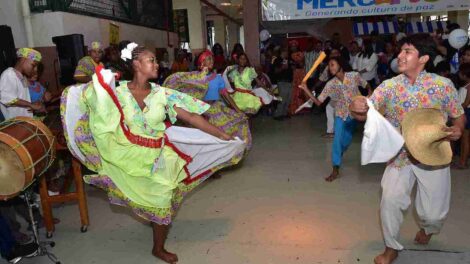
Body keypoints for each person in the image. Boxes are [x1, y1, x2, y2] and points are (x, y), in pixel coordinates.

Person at [61, 43, 245, 264]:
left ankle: (158, 247)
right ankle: (155, 220)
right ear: (136, 64)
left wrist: (222, 135)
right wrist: (99, 85)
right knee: (148, 199)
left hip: (158, 156)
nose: (157, 64)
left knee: (163, 198)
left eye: (156, 61)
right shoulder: (117, 93)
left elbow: (192, 118)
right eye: (151, 60)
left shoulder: (162, 94)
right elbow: (93, 106)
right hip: (127, 156)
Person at [349, 34, 466, 264]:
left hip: (433, 156)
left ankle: (428, 229)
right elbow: (365, 112)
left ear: (423, 58)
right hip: (400, 156)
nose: (400, 56)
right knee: (390, 201)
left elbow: (459, 115)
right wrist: (357, 107)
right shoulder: (389, 87)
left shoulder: (443, 86)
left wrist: (458, 129)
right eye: (401, 51)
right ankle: (391, 247)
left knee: (433, 214)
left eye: (407, 51)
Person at [164, 50, 252, 153]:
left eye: (212, 58)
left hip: (214, 108)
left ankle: (229, 151)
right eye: (208, 59)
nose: (212, 61)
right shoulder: (194, 78)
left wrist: (237, 110)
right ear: (202, 62)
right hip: (199, 109)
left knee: (233, 124)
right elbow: (176, 81)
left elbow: (226, 95)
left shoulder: (218, 78)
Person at [300, 56, 371, 181]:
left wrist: (370, 93)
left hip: (354, 114)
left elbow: (366, 85)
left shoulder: (354, 76)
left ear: (340, 65)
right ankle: (335, 168)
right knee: (337, 139)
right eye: (329, 65)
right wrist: (306, 89)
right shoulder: (331, 84)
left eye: (332, 64)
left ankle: (340, 151)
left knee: (346, 140)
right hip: (340, 114)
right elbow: (318, 102)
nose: (330, 67)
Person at [0, 48, 46, 120]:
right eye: (33, 65)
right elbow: (7, 98)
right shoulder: (9, 74)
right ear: (23, 60)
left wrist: (33, 105)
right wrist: (30, 105)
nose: (36, 69)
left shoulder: (23, 77)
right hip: (14, 122)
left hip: (25, 120)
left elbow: (23, 97)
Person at [271, 48, 293, 120]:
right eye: (286, 51)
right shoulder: (277, 60)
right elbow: (275, 71)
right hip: (282, 81)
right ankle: (278, 115)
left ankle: (284, 114)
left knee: (288, 99)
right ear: (283, 52)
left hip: (289, 81)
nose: (288, 53)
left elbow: (292, 69)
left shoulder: (288, 60)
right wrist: (282, 68)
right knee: (282, 99)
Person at [455, 63, 470, 169]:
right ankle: (462, 161)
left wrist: (456, 109)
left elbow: (466, 102)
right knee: (464, 139)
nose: (459, 74)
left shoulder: (469, 86)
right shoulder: (466, 85)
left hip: (466, 112)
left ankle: (463, 162)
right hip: (464, 112)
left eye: (460, 72)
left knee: (465, 139)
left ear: (465, 74)